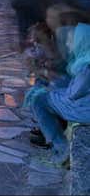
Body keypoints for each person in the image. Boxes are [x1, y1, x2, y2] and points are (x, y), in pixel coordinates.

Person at [28, 23, 90, 165]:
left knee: (38, 99)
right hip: (84, 101)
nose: (69, 43)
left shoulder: (86, 65)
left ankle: (61, 148)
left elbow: (73, 94)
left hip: (85, 109)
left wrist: (52, 91)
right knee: (44, 88)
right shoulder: (84, 57)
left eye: (73, 40)